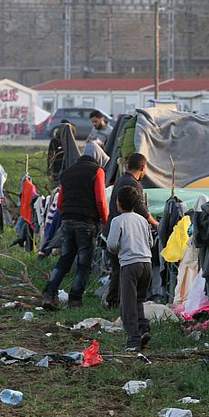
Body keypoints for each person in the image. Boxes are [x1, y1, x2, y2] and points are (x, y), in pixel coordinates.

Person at [41, 148, 108, 310]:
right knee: (84, 264)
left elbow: (60, 202)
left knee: (65, 259)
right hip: (86, 222)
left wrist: (68, 215)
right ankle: (75, 300)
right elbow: (100, 199)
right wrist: (105, 219)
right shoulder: (97, 171)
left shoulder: (67, 172)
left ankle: (49, 294)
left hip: (67, 221)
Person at [104, 152, 158, 308]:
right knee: (121, 272)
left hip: (114, 230)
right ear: (142, 167)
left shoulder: (121, 180)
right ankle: (119, 303)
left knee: (116, 270)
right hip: (125, 236)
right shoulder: (134, 184)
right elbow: (140, 207)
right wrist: (154, 223)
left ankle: (113, 301)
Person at [107, 186, 154, 351]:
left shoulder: (118, 221)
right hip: (146, 263)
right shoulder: (142, 220)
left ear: (118, 203)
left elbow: (112, 244)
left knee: (127, 302)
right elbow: (151, 242)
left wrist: (120, 249)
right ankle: (143, 328)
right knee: (139, 299)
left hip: (129, 264)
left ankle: (133, 339)